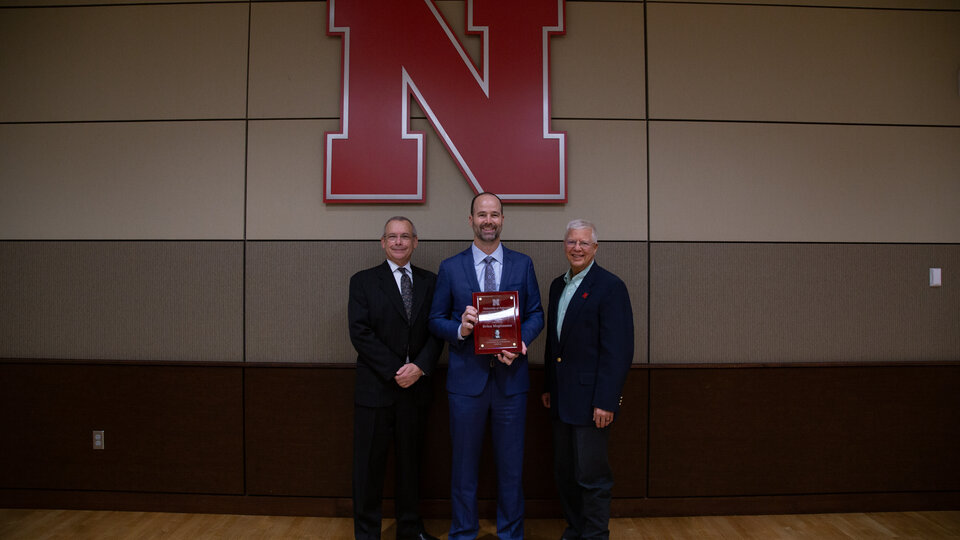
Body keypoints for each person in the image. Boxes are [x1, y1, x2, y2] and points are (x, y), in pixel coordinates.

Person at [428, 192, 544, 540]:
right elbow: (435, 319)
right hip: (466, 384)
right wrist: (460, 328)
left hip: (511, 382)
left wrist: (521, 342)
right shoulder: (450, 267)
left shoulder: (523, 264)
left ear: (503, 219)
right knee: (463, 466)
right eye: (482, 214)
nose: (488, 220)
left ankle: (511, 533)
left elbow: (536, 313)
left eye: (494, 214)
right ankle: (463, 531)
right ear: (471, 220)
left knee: (511, 467)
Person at [348, 216, 443, 540]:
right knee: (368, 470)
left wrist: (419, 367)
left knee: (410, 468)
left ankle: (410, 530)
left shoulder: (432, 282)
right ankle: (366, 534)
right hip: (375, 390)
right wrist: (395, 370)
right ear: (383, 242)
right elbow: (360, 333)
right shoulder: (362, 281)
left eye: (405, 236)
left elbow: (437, 331)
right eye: (392, 236)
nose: (399, 242)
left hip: (416, 391)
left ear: (416, 242)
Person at [541, 219, 634, 540]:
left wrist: (606, 401)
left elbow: (618, 351)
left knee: (592, 476)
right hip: (562, 400)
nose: (577, 248)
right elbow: (555, 344)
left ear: (595, 248)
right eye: (571, 242)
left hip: (593, 402)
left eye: (583, 243)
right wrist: (549, 387)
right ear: (564, 246)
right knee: (566, 474)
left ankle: (594, 536)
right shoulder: (557, 285)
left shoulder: (610, 287)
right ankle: (575, 530)